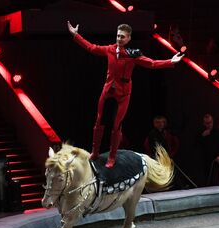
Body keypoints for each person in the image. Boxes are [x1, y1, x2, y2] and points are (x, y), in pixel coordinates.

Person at [67, 21, 183, 168]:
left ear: (128, 39)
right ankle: (95, 152)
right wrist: (76, 35)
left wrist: (170, 61)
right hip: (108, 90)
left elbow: (152, 63)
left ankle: (112, 157)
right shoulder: (109, 49)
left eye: (122, 37)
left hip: (123, 94)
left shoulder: (131, 55)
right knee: (99, 121)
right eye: (118, 36)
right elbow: (91, 48)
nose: (119, 39)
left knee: (116, 126)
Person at [199, 114, 219, 185]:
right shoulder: (201, 133)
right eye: (207, 123)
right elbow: (196, 146)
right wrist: (202, 137)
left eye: (210, 123)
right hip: (205, 158)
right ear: (204, 123)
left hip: (216, 156)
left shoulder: (218, 132)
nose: (209, 125)